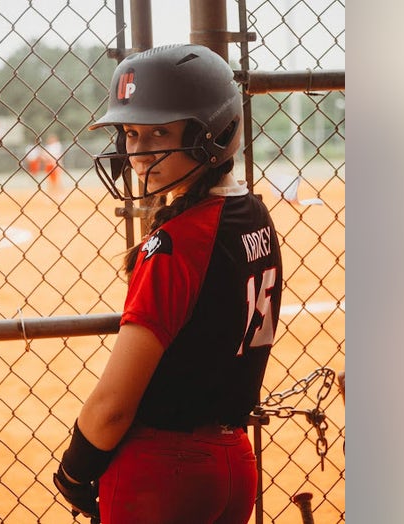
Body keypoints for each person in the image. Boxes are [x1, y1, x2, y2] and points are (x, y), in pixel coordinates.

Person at [52, 43, 283, 524]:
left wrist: (75, 471)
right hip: (234, 464)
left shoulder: (177, 242)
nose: (138, 152)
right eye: (132, 133)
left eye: (160, 131)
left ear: (212, 134)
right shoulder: (253, 214)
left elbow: (113, 406)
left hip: (162, 474)